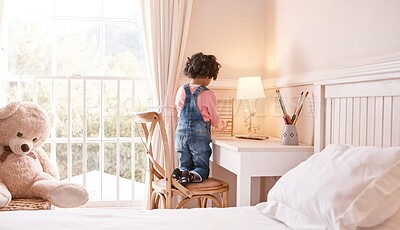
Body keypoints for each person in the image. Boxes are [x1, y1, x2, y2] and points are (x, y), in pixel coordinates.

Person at [173, 52, 227, 186]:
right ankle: (192, 175)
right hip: (199, 138)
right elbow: (214, 117)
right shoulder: (207, 94)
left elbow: (180, 111)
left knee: (185, 163)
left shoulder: (181, 90)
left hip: (180, 135)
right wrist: (220, 124)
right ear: (208, 75)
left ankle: (181, 172)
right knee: (202, 167)